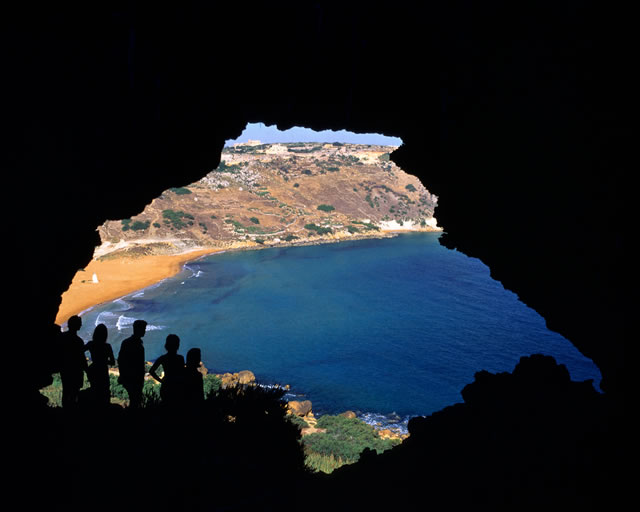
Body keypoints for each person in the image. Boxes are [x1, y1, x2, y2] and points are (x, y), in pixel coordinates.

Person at [59, 315, 88, 408]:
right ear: (76, 326)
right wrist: (88, 371)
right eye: (79, 324)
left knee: (66, 391)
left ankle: (65, 410)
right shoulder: (78, 341)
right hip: (76, 371)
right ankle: (71, 413)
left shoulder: (62, 337)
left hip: (65, 369)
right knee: (74, 393)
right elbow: (82, 359)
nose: (81, 325)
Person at [149, 334, 185, 407]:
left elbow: (151, 371)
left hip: (166, 385)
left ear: (166, 345)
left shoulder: (163, 358)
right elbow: (182, 373)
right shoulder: (180, 358)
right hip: (178, 386)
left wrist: (161, 381)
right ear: (177, 345)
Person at [117, 319, 147, 408]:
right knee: (135, 401)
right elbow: (121, 360)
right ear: (138, 329)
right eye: (144, 329)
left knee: (134, 401)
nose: (145, 331)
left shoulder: (127, 342)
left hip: (132, 378)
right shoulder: (133, 343)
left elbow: (120, 360)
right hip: (134, 378)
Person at [84, 323, 115, 406]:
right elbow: (113, 362)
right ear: (105, 335)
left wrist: (86, 365)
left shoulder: (91, 344)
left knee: (94, 389)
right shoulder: (108, 346)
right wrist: (104, 361)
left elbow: (79, 351)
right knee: (104, 392)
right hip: (103, 371)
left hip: (93, 369)